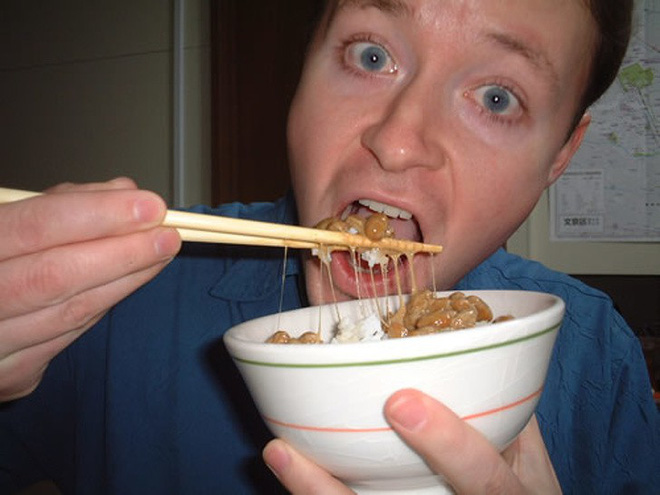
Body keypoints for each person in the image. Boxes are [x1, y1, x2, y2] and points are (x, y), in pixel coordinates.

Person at [0, 0, 658, 493]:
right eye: (371, 56)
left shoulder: (595, 358)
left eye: (496, 97)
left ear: (560, 155)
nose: (397, 141)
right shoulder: (117, 301)